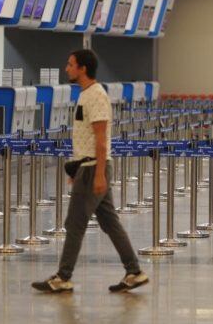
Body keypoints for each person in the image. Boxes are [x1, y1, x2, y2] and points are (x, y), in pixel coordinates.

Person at [32, 49, 148, 294]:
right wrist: (76, 170)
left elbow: (101, 138)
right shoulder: (86, 95)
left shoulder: (96, 96)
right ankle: (134, 272)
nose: (67, 68)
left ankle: (63, 276)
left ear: (83, 68)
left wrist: (98, 175)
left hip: (94, 167)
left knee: (74, 223)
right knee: (110, 222)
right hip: (88, 167)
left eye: (70, 64)